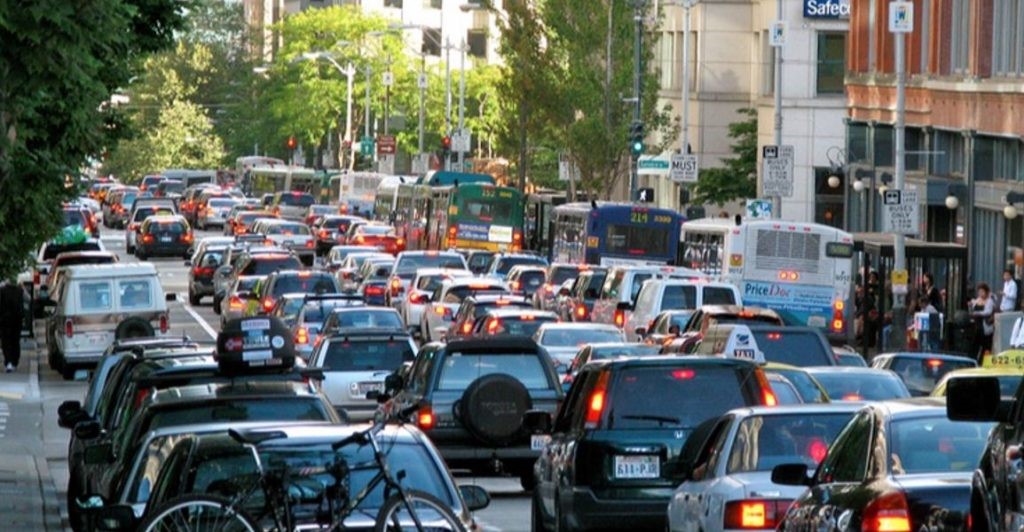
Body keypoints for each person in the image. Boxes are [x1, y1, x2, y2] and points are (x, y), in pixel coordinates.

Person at [0, 280, 25, 372]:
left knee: (6, 341)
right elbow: (28, 299)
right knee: (15, 341)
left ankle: (8, 361)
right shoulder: (19, 291)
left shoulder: (2, 291)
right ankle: (14, 361)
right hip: (17, 320)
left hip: (5, 320)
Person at [969, 283, 996, 362]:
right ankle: (973, 360)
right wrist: (970, 306)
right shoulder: (977, 300)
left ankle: (983, 361)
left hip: (985, 325)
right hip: (977, 325)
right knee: (975, 344)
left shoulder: (989, 301)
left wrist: (978, 313)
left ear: (986, 292)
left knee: (985, 345)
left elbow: (988, 312)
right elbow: (972, 310)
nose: (981, 294)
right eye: (979, 292)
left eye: (982, 292)